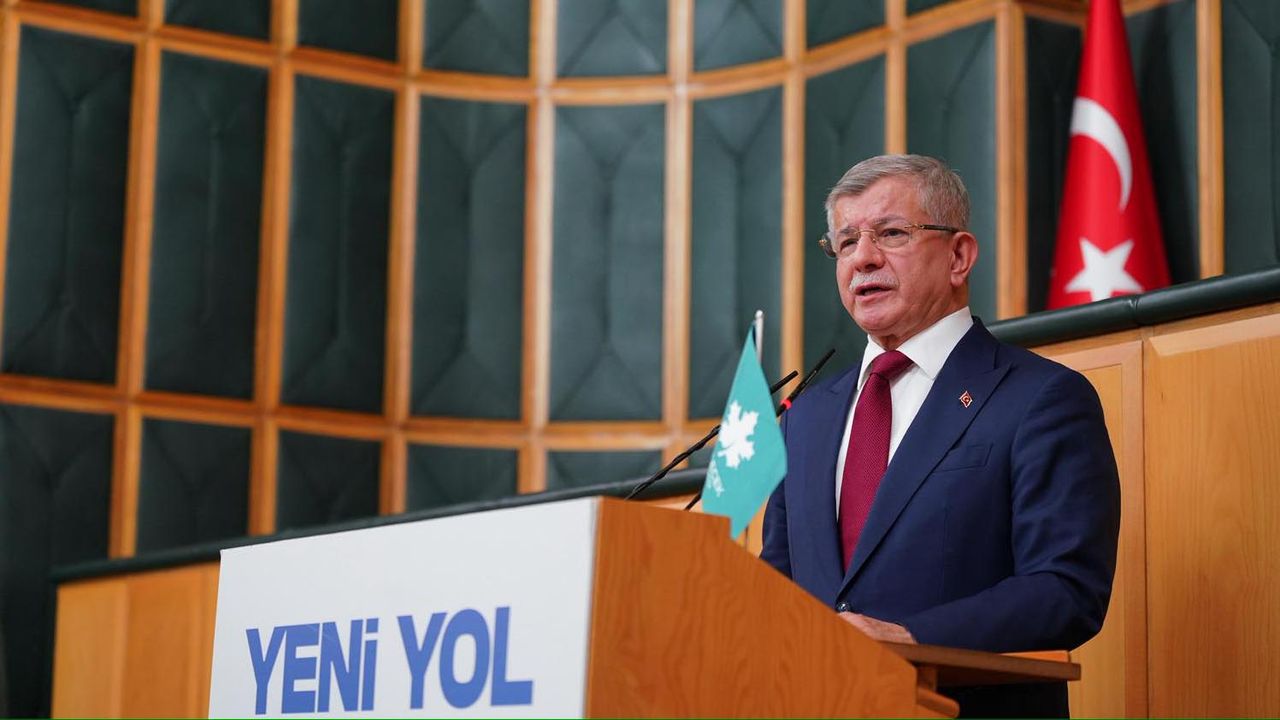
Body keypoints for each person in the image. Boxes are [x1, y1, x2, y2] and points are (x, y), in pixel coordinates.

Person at [760, 154, 1120, 717]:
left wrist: (910, 637)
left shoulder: (1041, 398)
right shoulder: (804, 417)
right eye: (847, 241)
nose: (863, 258)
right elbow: (776, 588)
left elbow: (1066, 588)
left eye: (891, 233)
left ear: (959, 257)